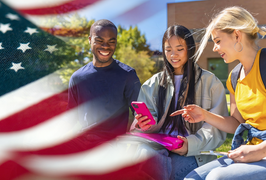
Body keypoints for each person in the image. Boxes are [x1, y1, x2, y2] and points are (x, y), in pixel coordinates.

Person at [169, 6, 266, 180]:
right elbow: (237, 123)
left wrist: (259, 150)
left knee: (217, 177)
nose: (214, 48)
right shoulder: (234, 78)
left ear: (237, 35)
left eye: (218, 40)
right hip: (250, 152)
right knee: (191, 178)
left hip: (260, 152)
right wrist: (204, 115)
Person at [130, 25, 228, 180]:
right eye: (168, 49)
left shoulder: (210, 82)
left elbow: (216, 127)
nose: (173, 55)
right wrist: (143, 125)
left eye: (179, 49)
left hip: (190, 152)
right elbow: (143, 125)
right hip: (156, 147)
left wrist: (190, 144)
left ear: (190, 49)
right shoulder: (152, 84)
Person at [68, 19, 141, 141]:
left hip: (114, 145)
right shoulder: (77, 78)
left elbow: (140, 115)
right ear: (90, 40)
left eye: (111, 42)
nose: (105, 46)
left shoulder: (127, 75)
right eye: (99, 41)